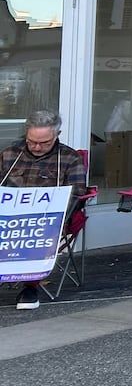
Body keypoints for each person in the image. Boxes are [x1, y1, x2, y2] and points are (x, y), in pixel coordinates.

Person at [0, 110, 87, 310]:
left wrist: (55, 215)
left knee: (38, 232)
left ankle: (30, 287)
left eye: (45, 143)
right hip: (9, 216)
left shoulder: (69, 158)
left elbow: (76, 195)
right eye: (32, 142)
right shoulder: (10, 154)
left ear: (57, 135)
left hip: (49, 219)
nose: (37, 147)